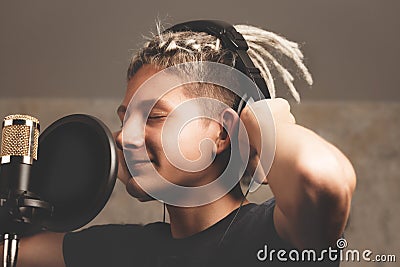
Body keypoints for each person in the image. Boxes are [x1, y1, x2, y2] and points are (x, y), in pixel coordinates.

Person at [4, 21, 356, 267]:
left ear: (222, 133)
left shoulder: (275, 236)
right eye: (124, 119)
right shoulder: (122, 251)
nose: (123, 136)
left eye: (154, 116)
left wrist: (260, 117)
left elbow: (320, 179)